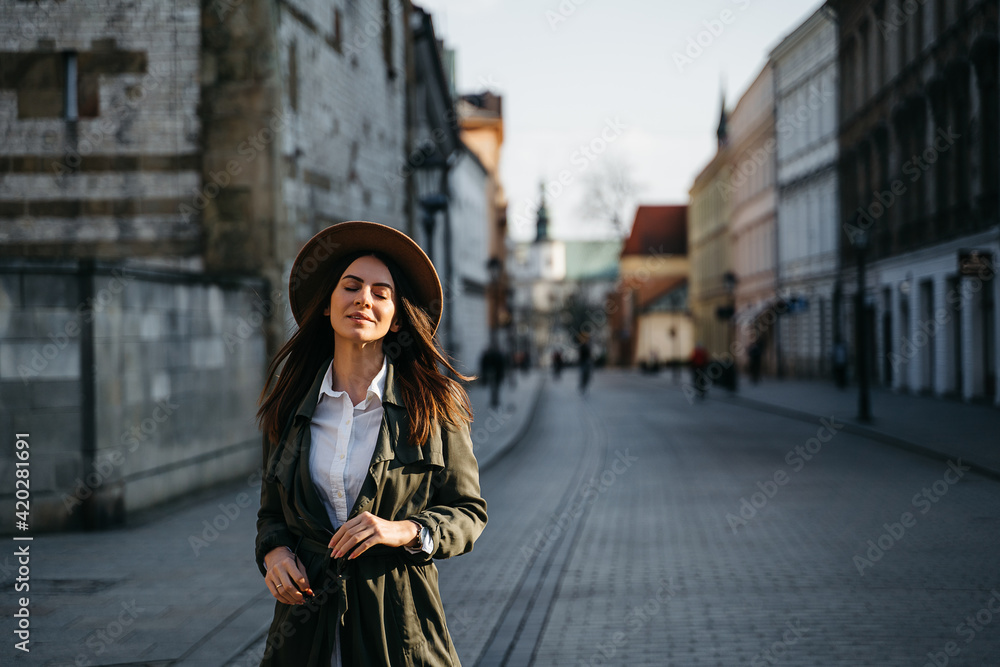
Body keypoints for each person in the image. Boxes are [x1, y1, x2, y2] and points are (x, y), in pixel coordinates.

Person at [254, 221, 488, 666]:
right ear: (328, 303)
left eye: (381, 293)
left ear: (396, 316)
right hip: (304, 636)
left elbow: (469, 512)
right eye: (351, 286)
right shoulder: (289, 404)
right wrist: (275, 552)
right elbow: (271, 514)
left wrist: (405, 531)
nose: (364, 298)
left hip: (398, 632)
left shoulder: (436, 405)